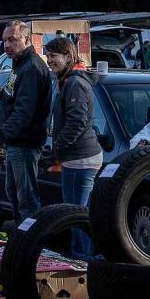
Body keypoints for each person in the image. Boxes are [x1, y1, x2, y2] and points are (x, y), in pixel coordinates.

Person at [0, 20, 53, 223]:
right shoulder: (19, 64)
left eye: (12, 40)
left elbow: (24, 112)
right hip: (16, 142)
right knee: (13, 192)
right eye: (4, 40)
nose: (6, 45)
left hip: (25, 143)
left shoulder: (31, 67)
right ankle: (21, 238)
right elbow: (18, 96)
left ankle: (29, 243)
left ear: (27, 39)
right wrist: (2, 94)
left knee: (26, 199)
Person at [44, 37, 101, 258]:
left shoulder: (75, 84)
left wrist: (56, 148)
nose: (49, 61)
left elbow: (76, 122)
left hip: (80, 159)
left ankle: (83, 263)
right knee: (77, 213)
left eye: (54, 56)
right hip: (76, 157)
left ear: (68, 57)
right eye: (48, 56)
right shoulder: (68, 81)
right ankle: (82, 259)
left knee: (77, 215)